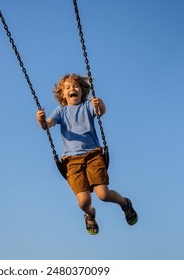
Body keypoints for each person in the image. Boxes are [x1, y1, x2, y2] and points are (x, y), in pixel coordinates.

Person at [36, 74, 138, 235]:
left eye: (76, 86)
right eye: (68, 87)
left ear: (83, 91)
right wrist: (40, 120)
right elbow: (46, 125)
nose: (72, 89)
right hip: (71, 161)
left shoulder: (87, 106)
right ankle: (90, 214)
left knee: (103, 195)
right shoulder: (60, 112)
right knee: (84, 201)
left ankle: (124, 203)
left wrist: (100, 103)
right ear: (62, 94)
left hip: (93, 156)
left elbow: (101, 111)